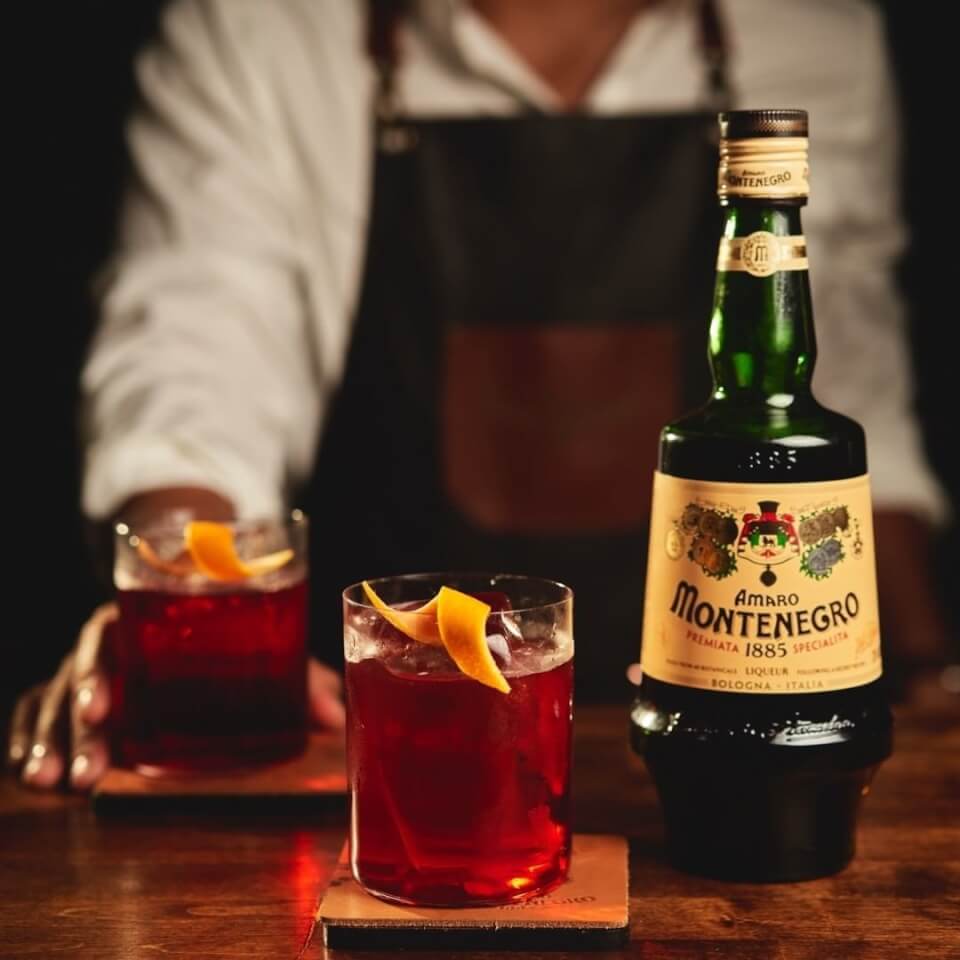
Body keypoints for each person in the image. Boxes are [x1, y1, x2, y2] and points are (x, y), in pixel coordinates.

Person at [9, 0, 952, 790]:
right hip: (390, 761)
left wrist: (921, 680)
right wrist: (190, 630)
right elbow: (194, 354)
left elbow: (844, 388)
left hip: (721, 767)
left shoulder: (813, 29)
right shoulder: (267, 26)